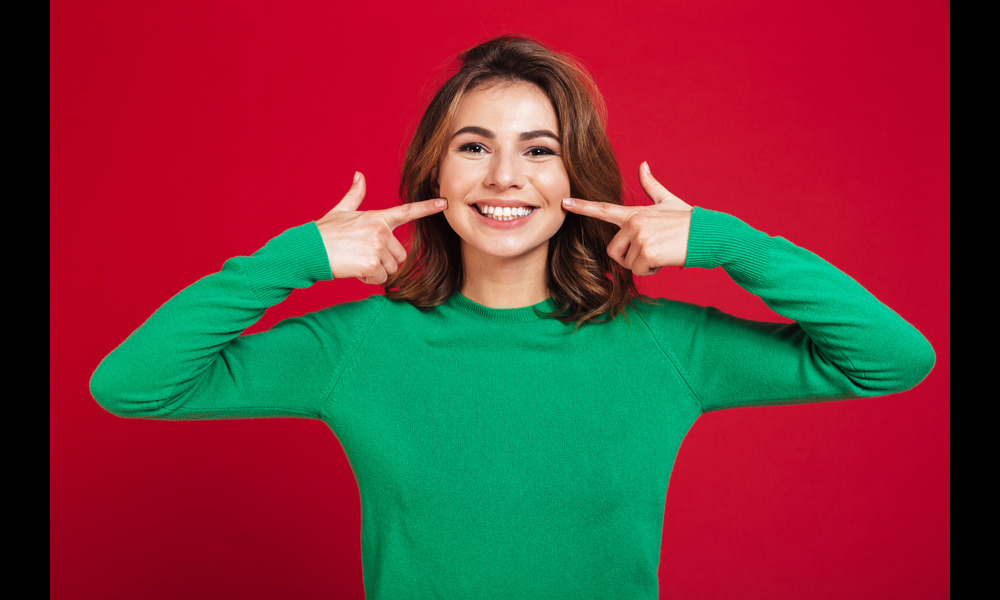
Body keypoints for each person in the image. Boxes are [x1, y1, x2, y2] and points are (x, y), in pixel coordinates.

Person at [90, 34, 935, 599]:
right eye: (474, 145)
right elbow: (131, 386)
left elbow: (893, 359)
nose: (504, 175)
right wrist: (294, 260)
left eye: (539, 149)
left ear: (578, 177)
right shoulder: (357, 347)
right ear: (437, 170)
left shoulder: (662, 346)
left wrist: (733, 244)